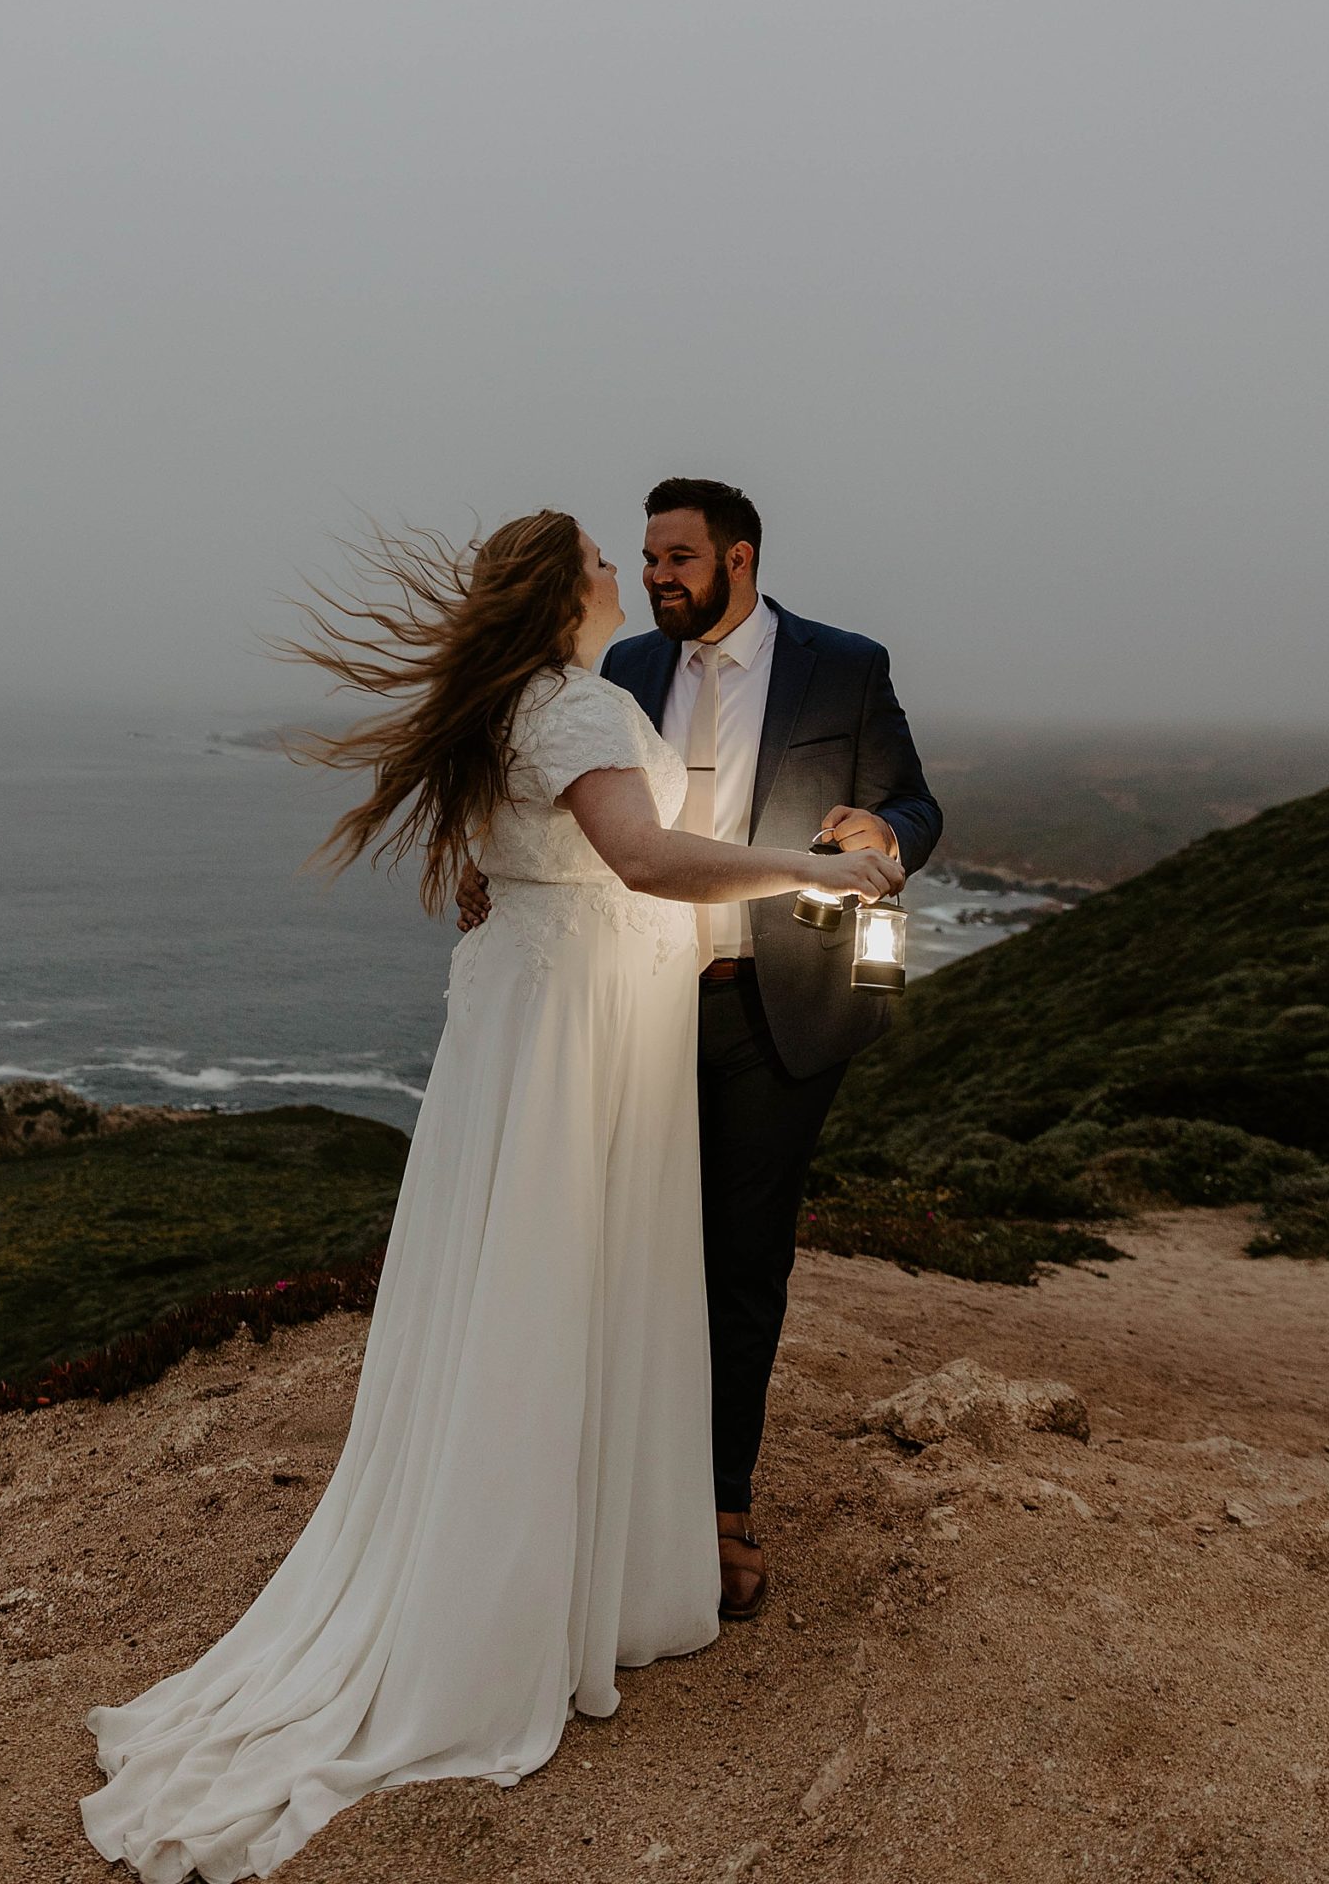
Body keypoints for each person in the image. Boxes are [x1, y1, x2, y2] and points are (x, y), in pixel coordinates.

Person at [81, 510, 901, 1882]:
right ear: (563, 591)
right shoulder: (570, 707)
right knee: (551, 1283)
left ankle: (568, 1564)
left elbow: (525, 854)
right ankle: (508, 1606)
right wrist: (811, 871)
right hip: (576, 1025)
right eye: (602, 559)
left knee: (524, 1278)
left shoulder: (524, 704)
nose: (622, 572)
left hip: (542, 1012)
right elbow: (644, 860)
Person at [459, 478, 941, 1620]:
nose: (655, 577)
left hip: (781, 1005)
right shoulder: (616, 670)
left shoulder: (845, 664)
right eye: (642, 558)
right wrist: (496, 868)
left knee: (742, 1259)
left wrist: (883, 830)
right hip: (636, 1003)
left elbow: (916, 805)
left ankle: (719, 1505)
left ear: (739, 558)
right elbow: (556, 799)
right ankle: (610, 1496)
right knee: (629, 1247)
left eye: (676, 557)